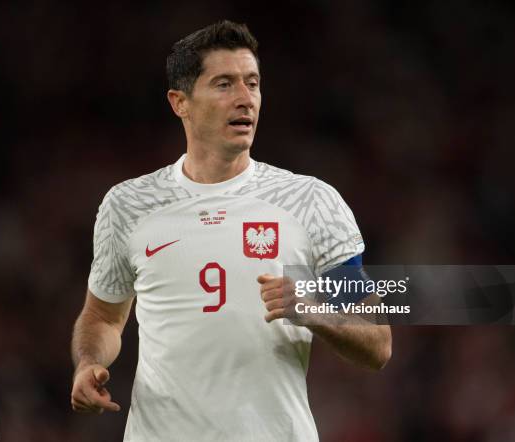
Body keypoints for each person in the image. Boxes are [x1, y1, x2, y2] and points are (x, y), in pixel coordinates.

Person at [70, 20, 391, 441]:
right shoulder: (128, 205)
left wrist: (310, 307)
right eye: (224, 84)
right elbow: (103, 318)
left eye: (252, 83)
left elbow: (378, 342)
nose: (245, 99)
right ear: (179, 102)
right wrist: (87, 362)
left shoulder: (311, 201)